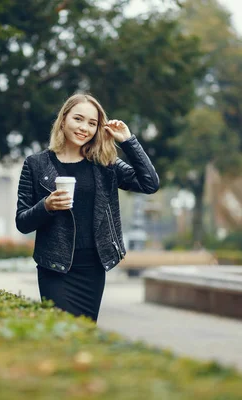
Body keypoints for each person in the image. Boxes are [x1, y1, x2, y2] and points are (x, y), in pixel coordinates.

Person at [15, 93, 159, 323]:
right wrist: (46, 206)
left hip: (93, 268)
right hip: (55, 268)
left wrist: (128, 141)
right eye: (78, 119)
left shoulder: (105, 163)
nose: (85, 128)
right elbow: (22, 222)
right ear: (63, 120)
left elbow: (150, 184)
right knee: (60, 331)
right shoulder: (36, 164)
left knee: (84, 332)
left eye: (92, 123)